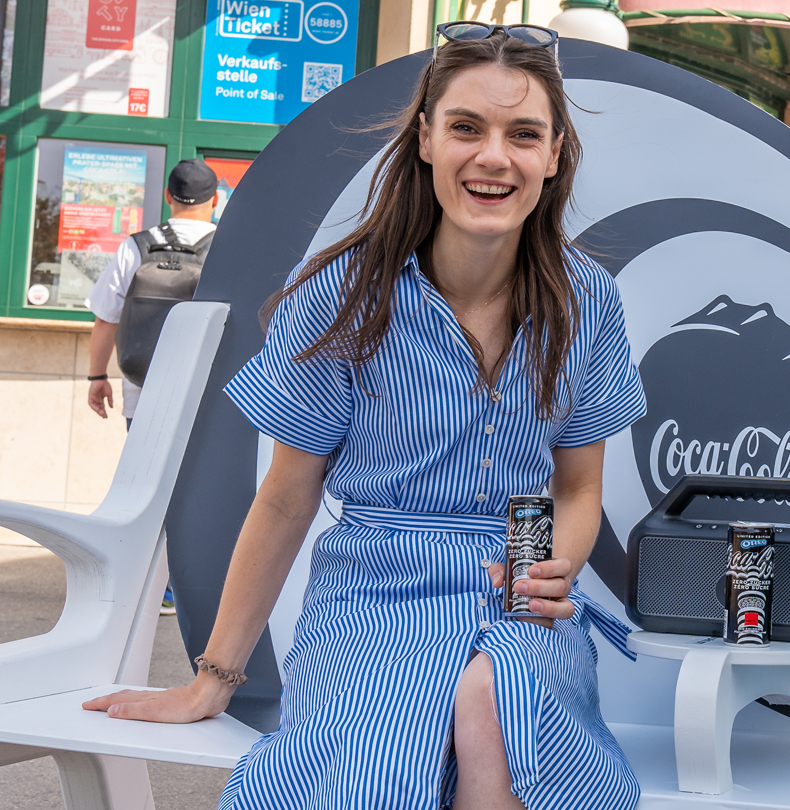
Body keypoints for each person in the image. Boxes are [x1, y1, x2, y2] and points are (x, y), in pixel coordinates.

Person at [82, 26, 646, 810]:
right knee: (376, 774)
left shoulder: (588, 300)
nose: (494, 157)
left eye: (523, 134)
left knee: (496, 704)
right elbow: (285, 497)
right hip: (373, 598)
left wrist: (555, 570)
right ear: (424, 138)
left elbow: (579, 489)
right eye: (466, 127)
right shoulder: (344, 296)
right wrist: (213, 678)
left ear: (553, 156)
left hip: (513, 595)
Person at [86, 158, 219, 429]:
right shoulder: (225, 249)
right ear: (215, 199)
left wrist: (96, 377)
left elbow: (106, 319)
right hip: (203, 393)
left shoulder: (135, 247)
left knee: (139, 471)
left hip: (141, 389)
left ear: (168, 195)